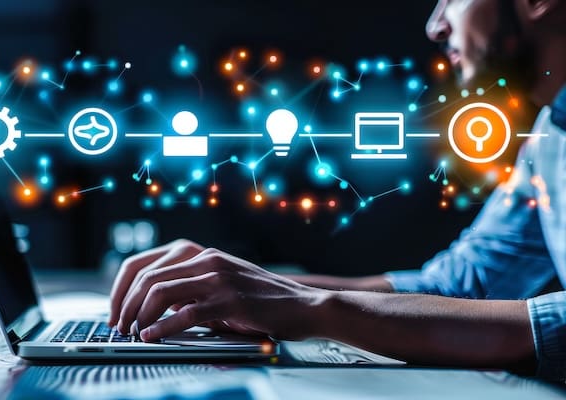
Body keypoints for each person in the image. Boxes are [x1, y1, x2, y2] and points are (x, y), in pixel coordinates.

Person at [107, 0, 566, 381]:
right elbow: (461, 288)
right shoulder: (551, 136)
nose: (435, 25)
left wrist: (316, 309)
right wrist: (237, 285)